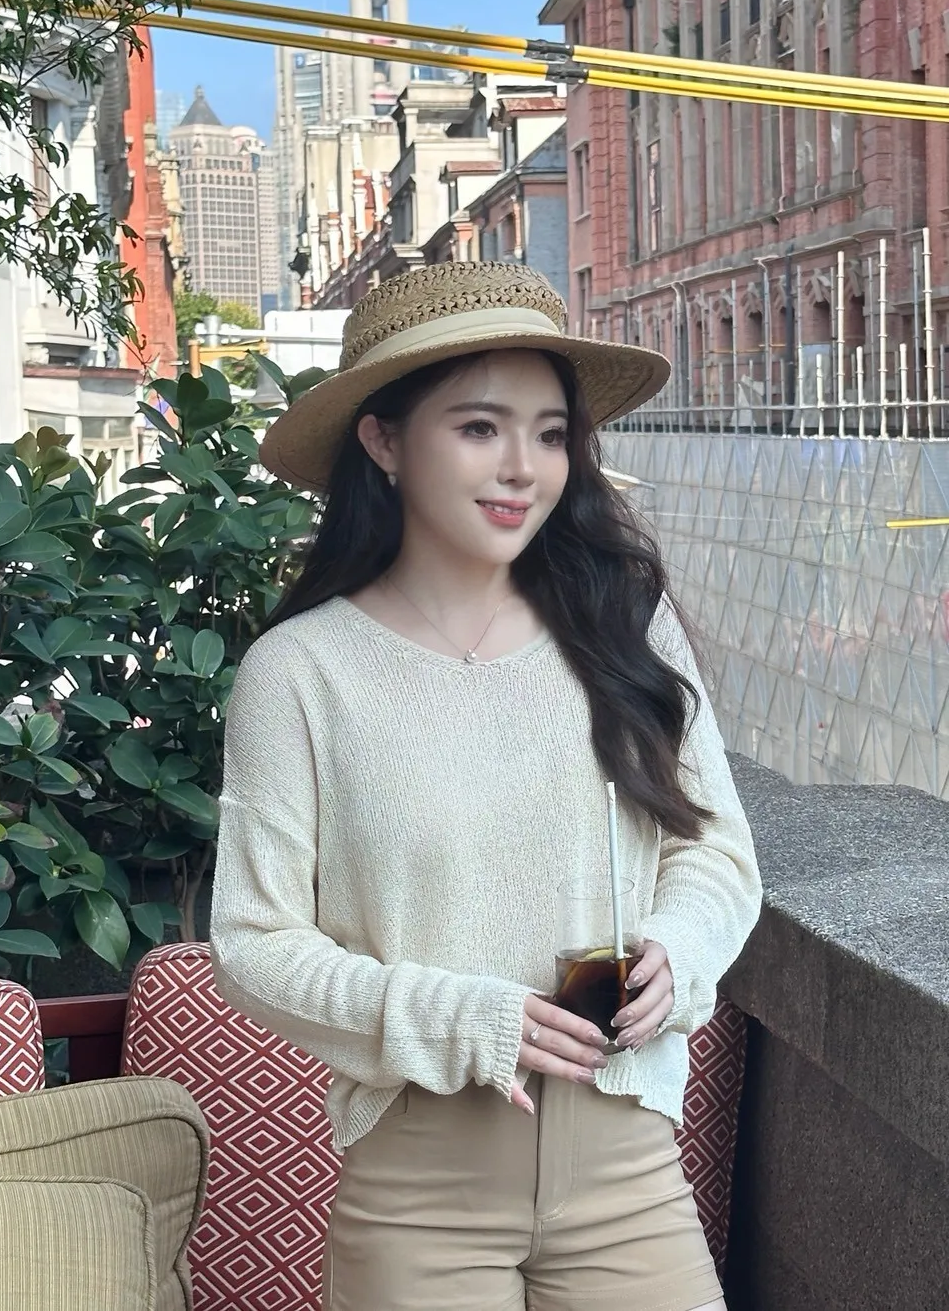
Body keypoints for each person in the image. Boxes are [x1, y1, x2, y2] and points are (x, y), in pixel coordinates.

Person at [209, 261, 763, 1311]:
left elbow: (715, 851)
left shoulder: (624, 627)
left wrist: (678, 949)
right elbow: (255, 942)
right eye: (478, 427)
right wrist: (462, 1016)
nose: (523, 468)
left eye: (550, 434)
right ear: (383, 440)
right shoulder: (301, 673)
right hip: (421, 1194)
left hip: (629, 1171)